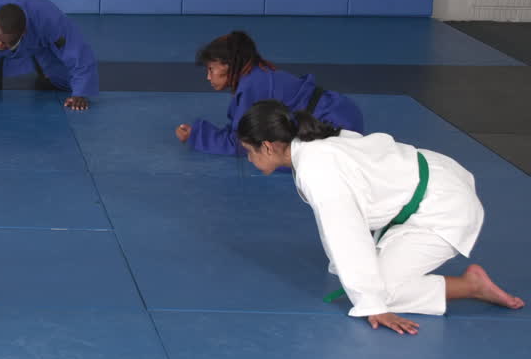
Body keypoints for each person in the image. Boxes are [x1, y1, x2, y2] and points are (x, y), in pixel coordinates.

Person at [237, 99, 523, 335]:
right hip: (429, 185)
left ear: (269, 146)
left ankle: (472, 286)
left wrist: (370, 302)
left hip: (441, 209)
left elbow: (345, 231)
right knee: (367, 274)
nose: (249, 159)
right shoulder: (313, 143)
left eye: (249, 152)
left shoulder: (317, 167)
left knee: (382, 291)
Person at [176, 31, 363, 155]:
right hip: (343, 112)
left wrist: (196, 135)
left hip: (336, 127)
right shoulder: (257, 74)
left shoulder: (252, 85)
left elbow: (242, 142)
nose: (208, 77)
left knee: (271, 156)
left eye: (211, 69)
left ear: (229, 65)